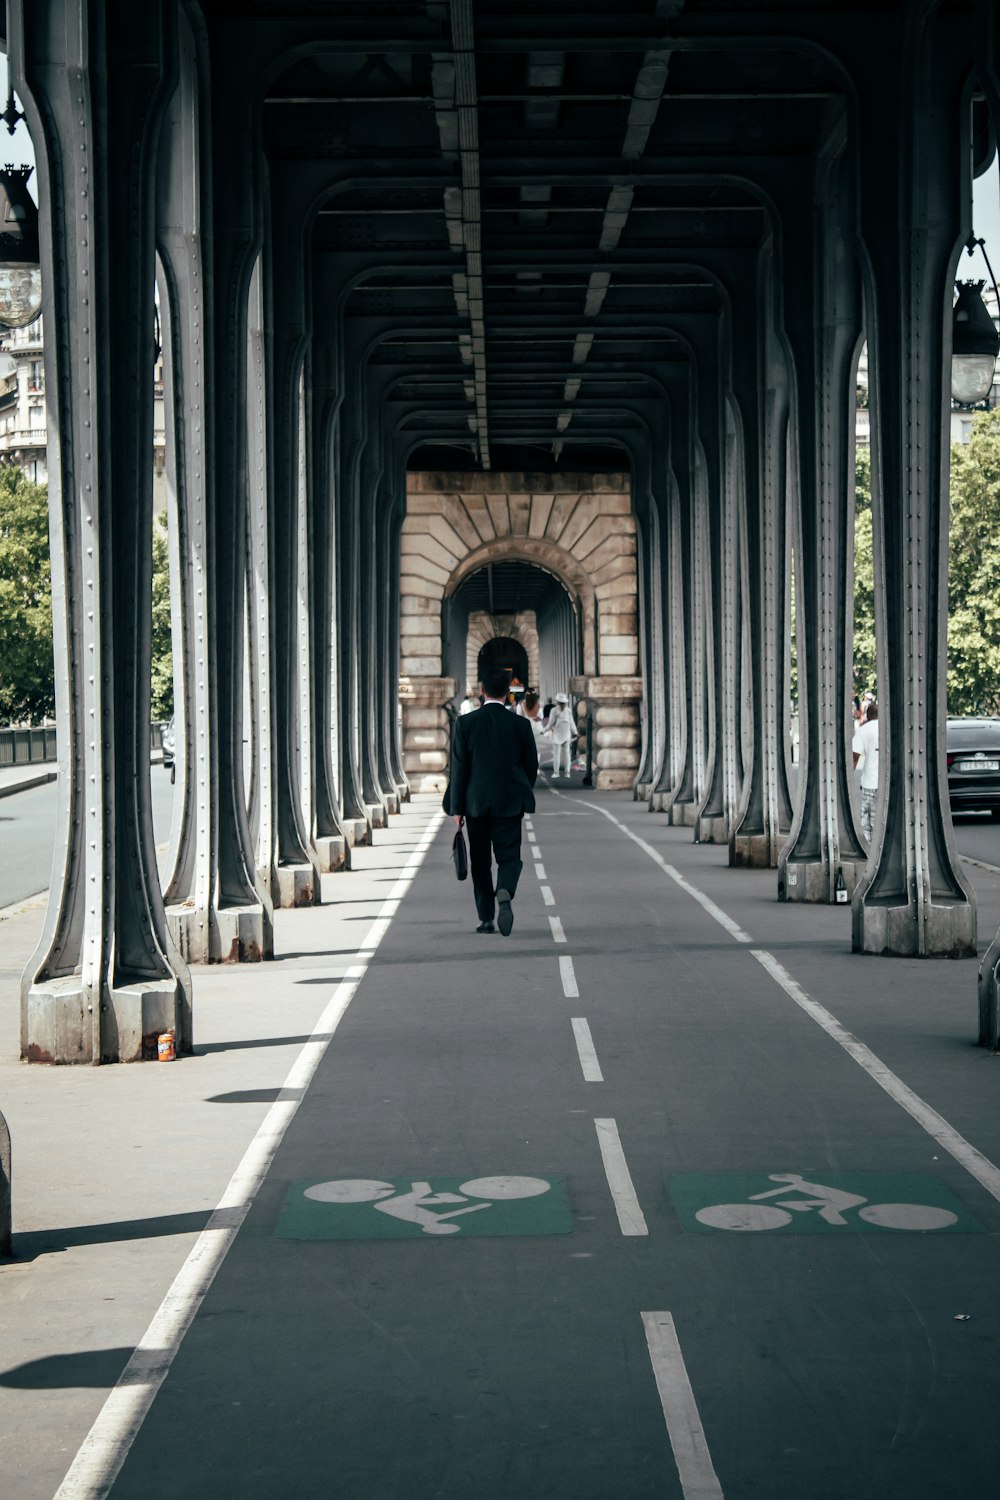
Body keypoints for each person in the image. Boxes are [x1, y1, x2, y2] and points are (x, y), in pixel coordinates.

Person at [444, 664, 538, 936]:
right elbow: (530, 765)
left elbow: (459, 770)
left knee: (481, 861)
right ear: (508, 692)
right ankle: (505, 890)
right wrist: (521, 791)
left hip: (476, 805)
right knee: (509, 857)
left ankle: (486, 919)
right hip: (509, 804)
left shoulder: (466, 724)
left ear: (481, 691)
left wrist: (457, 808)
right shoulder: (520, 725)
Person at [852, 700, 879, 842]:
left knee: (867, 821)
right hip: (886, 783)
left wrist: (849, 778)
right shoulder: (889, 730)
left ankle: (871, 851)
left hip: (870, 782)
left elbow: (855, 756)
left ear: (867, 716)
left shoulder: (863, 730)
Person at [545, 692, 574, 780]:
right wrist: (575, 732)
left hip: (558, 735)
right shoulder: (568, 710)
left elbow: (550, 724)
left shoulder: (554, 711)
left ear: (557, 702)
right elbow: (571, 723)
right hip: (566, 734)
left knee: (557, 755)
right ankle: (567, 773)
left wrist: (543, 731)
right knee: (567, 754)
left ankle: (556, 773)